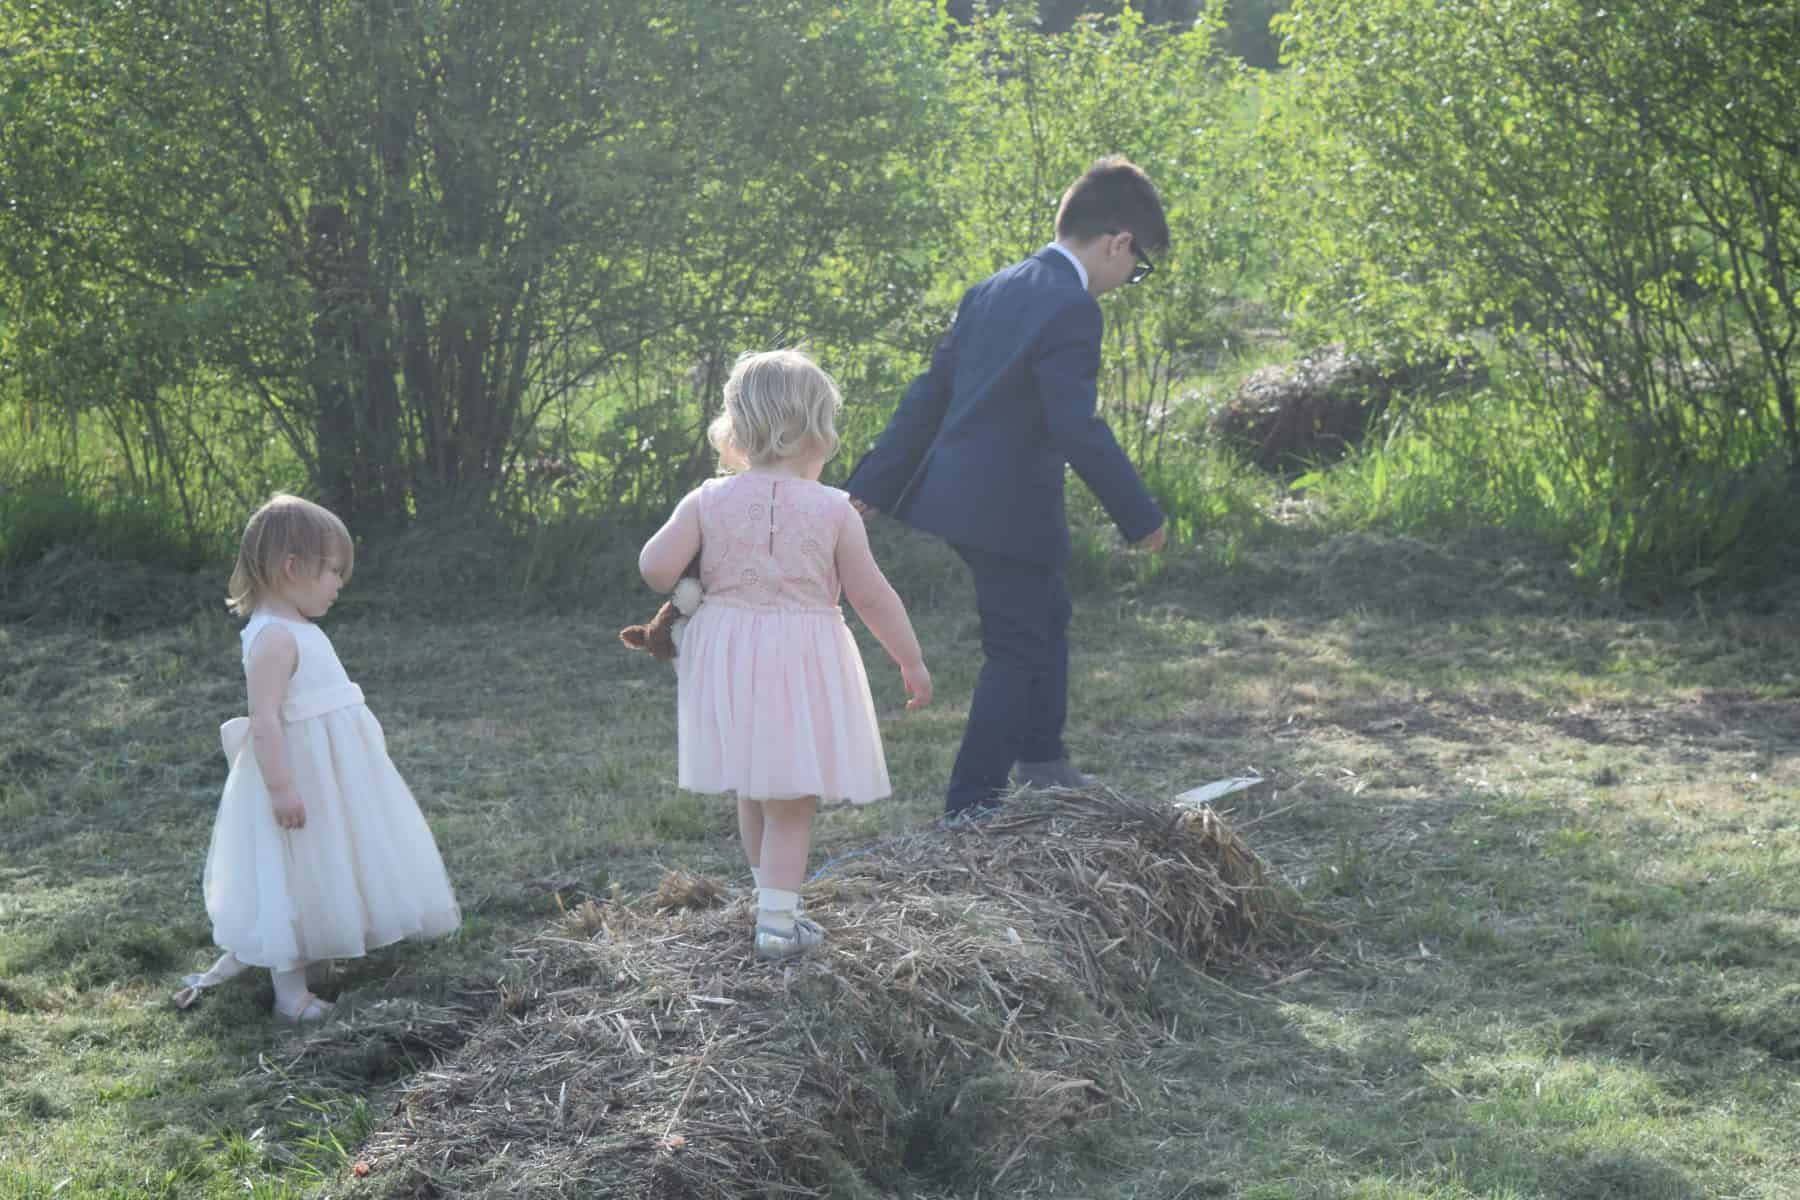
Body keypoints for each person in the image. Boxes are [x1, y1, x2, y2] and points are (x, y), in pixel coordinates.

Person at [845, 156, 1170, 817]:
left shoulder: (992, 289)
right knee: (1017, 645)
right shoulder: (1072, 307)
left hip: (966, 500)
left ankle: (1045, 763)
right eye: (1137, 271)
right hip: (1006, 507)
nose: (1125, 281)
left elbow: (929, 395)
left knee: (1047, 615)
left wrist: (872, 484)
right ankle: (972, 805)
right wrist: (1140, 516)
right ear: (1119, 243)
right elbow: (1075, 428)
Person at [639, 349, 931, 960]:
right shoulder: (833, 510)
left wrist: (697, 569)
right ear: (816, 432)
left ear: (738, 429)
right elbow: (872, 595)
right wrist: (909, 659)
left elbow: (655, 567)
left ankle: (769, 898)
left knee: (754, 783)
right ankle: (776, 923)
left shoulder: (707, 498)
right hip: (800, 657)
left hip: (727, 653)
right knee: (793, 795)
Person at [175, 494, 461, 1022]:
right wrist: (281, 788)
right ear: (292, 567)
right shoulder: (275, 638)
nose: (338, 584)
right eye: (332, 572)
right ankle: (291, 995)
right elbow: (264, 720)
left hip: (333, 773)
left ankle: (325, 943)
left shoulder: (299, 629)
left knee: (330, 858)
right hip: (299, 774)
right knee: (291, 870)